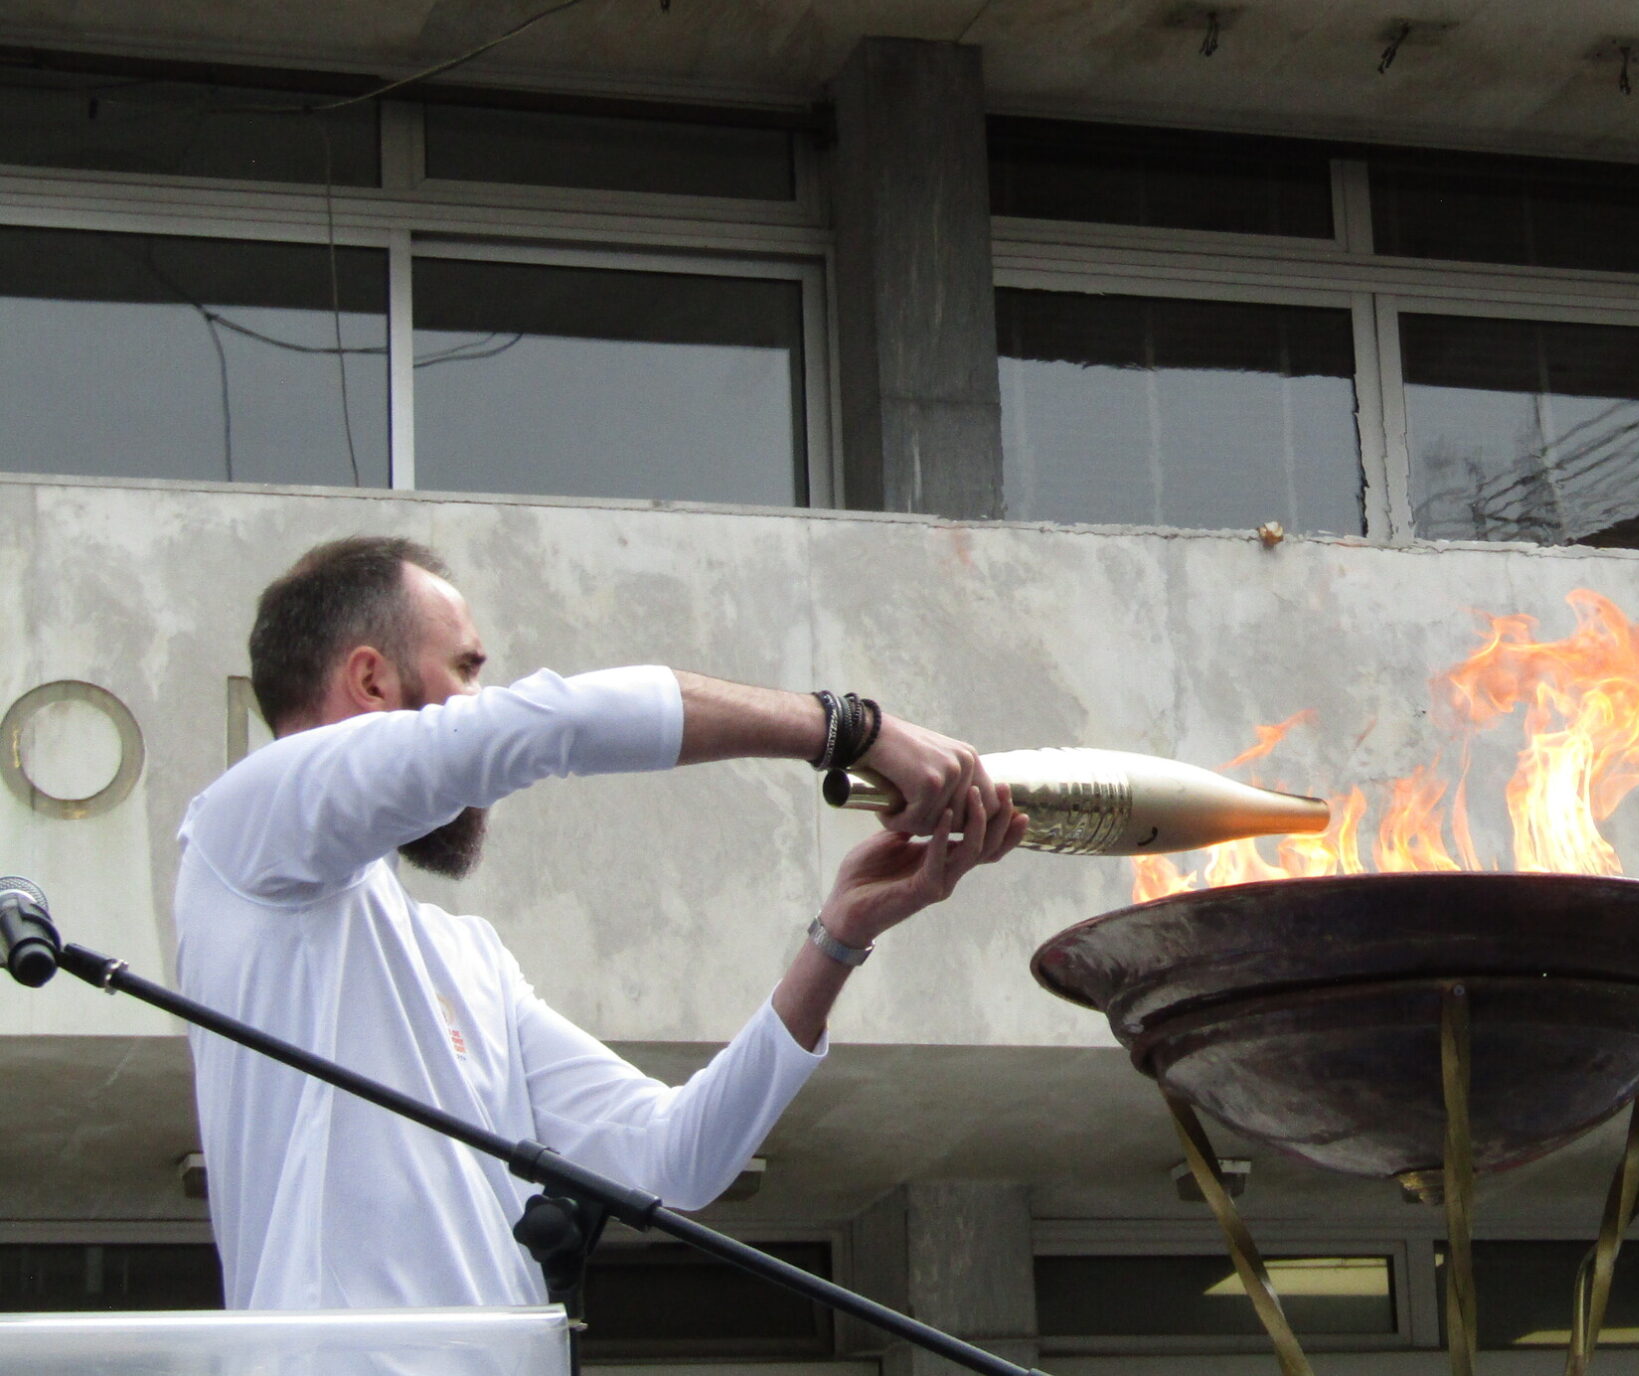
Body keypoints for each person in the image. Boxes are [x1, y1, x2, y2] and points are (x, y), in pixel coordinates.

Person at [176, 535, 1024, 1310]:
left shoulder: (462, 956)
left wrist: (839, 937)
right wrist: (848, 729)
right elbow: (546, 728)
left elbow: (675, 1159)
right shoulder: (245, 828)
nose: (482, 698)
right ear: (371, 680)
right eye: (466, 670)